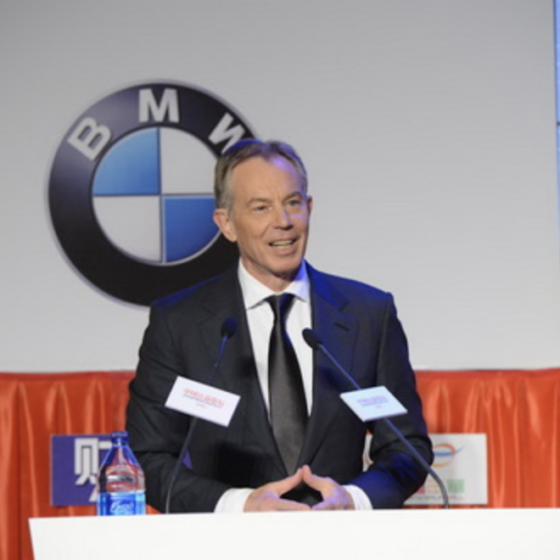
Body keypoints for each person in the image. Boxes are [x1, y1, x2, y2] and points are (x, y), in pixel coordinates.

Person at [126, 139, 433, 513]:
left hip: (342, 538)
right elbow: (150, 457)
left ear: (309, 208)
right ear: (227, 224)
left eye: (293, 202)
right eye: (261, 208)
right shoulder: (180, 323)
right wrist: (240, 505)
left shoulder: (369, 314)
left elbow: (407, 448)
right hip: (230, 541)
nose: (283, 221)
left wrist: (353, 500)